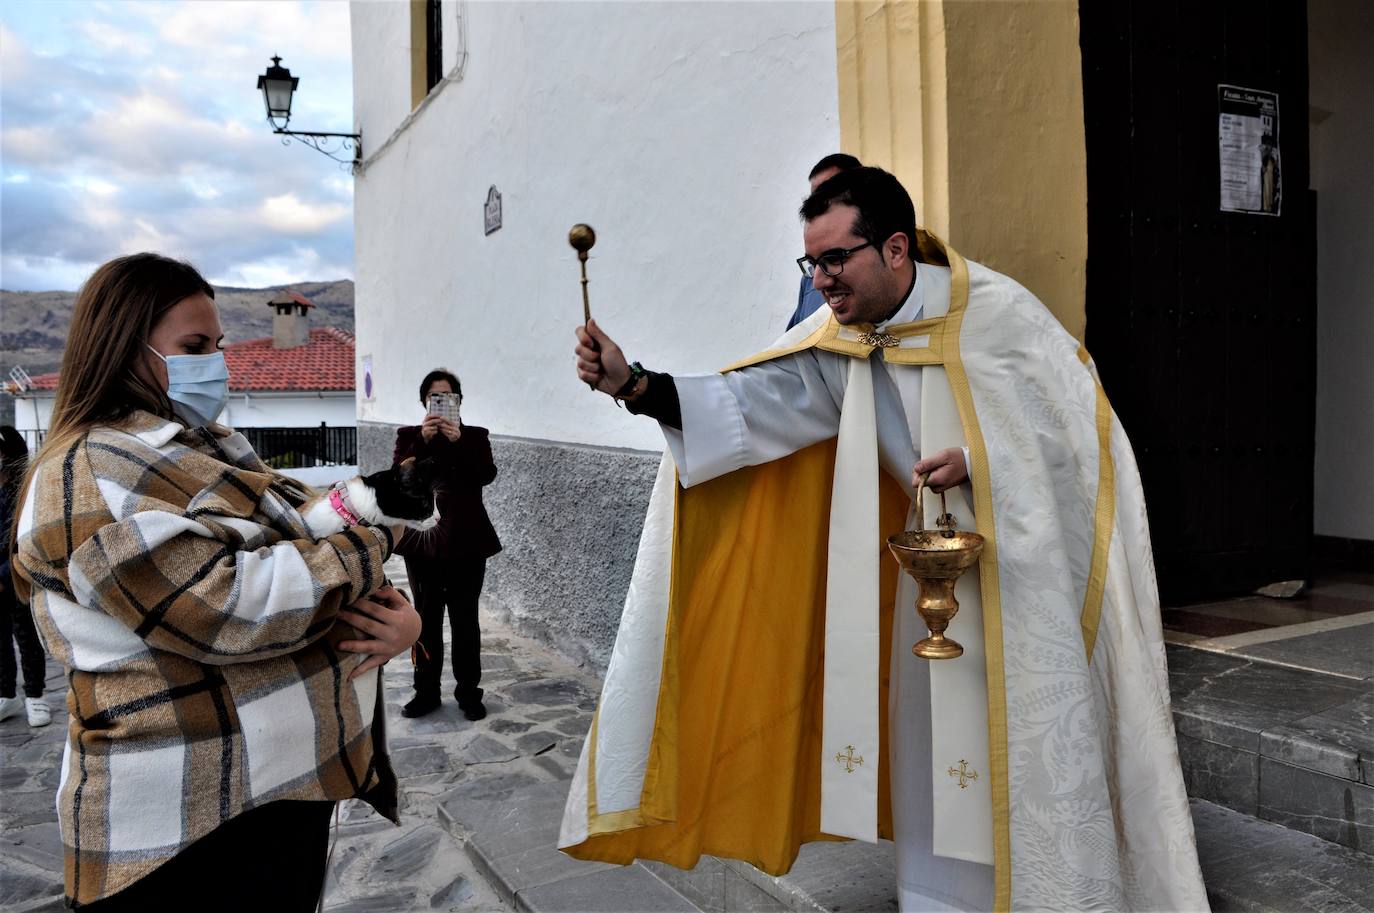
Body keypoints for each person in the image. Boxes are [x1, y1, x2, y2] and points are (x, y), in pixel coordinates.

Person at [560, 167, 1208, 912]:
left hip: (1023, 594)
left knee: (1031, 764)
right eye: (812, 263)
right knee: (933, 760)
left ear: (896, 248)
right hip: (926, 590)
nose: (822, 281)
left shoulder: (998, 316)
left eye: (836, 259)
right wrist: (635, 385)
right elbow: (758, 404)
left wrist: (983, 461)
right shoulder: (844, 338)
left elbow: (1080, 440)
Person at [11, 253, 421, 911]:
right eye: (194, 346)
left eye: (218, 345)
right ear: (122, 348)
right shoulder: (85, 474)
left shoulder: (199, 446)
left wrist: (398, 615)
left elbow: (298, 539)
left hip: (266, 798)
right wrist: (381, 536)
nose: (217, 364)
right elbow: (231, 608)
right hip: (180, 829)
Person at [391, 369, 501, 721]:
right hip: (424, 541)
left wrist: (459, 443)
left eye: (448, 398)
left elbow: (485, 475)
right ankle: (425, 693)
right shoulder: (408, 436)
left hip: (468, 540)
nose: (441, 404)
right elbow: (400, 480)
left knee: (466, 620)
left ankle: (469, 693)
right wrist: (421, 441)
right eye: (434, 398)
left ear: (459, 402)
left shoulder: (475, 437)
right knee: (426, 619)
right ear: (424, 402)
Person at [0, 425, 49, 727]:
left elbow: (25, 538)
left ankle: (36, 696)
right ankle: (6, 694)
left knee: (26, 636)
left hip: (17, 574)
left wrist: (6, 573)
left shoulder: (23, 491)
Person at [785, 153, 863, 329]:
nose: (820, 282)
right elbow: (794, 341)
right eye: (815, 198)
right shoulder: (812, 277)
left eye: (836, 259)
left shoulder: (898, 261)